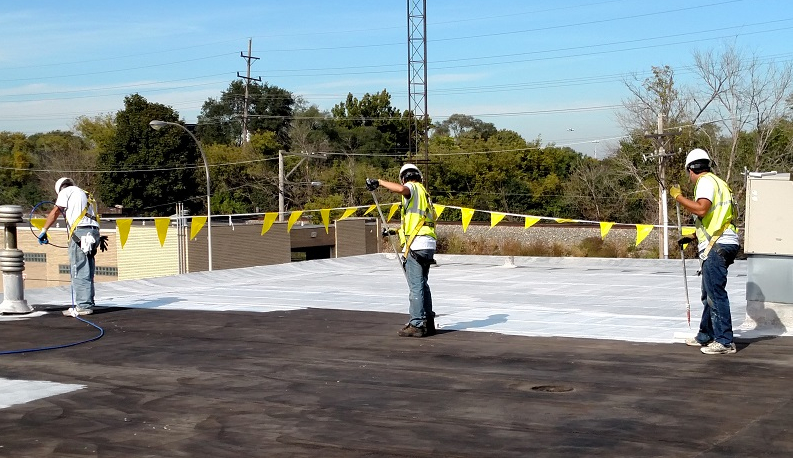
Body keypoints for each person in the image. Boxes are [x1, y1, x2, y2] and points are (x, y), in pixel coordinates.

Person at [670, 148, 740, 355]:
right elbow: (717, 218)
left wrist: (679, 197)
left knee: (716, 294)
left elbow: (701, 209)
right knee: (709, 293)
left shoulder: (705, 182)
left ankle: (725, 341)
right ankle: (706, 335)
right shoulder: (720, 183)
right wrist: (692, 236)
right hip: (722, 241)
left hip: (717, 246)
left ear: (691, 169)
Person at [366, 164, 437, 337]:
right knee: (422, 284)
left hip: (417, 245)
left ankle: (417, 323)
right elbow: (418, 223)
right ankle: (428, 320)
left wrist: (380, 182)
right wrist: (396, 232)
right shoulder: (424, 194)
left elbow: (402, 189)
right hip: (427, 244)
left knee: (415, 286)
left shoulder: (412, 187)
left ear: (405, 177)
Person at [38, 177, 101, 316]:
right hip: (94, 232)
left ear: (59, 189)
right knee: (88, 268)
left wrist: (44, 231)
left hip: (81, 233)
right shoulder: (84, 193)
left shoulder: (65, 192)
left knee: (78, 268)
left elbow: (55, 212)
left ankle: (83, 306)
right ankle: (87, 301)